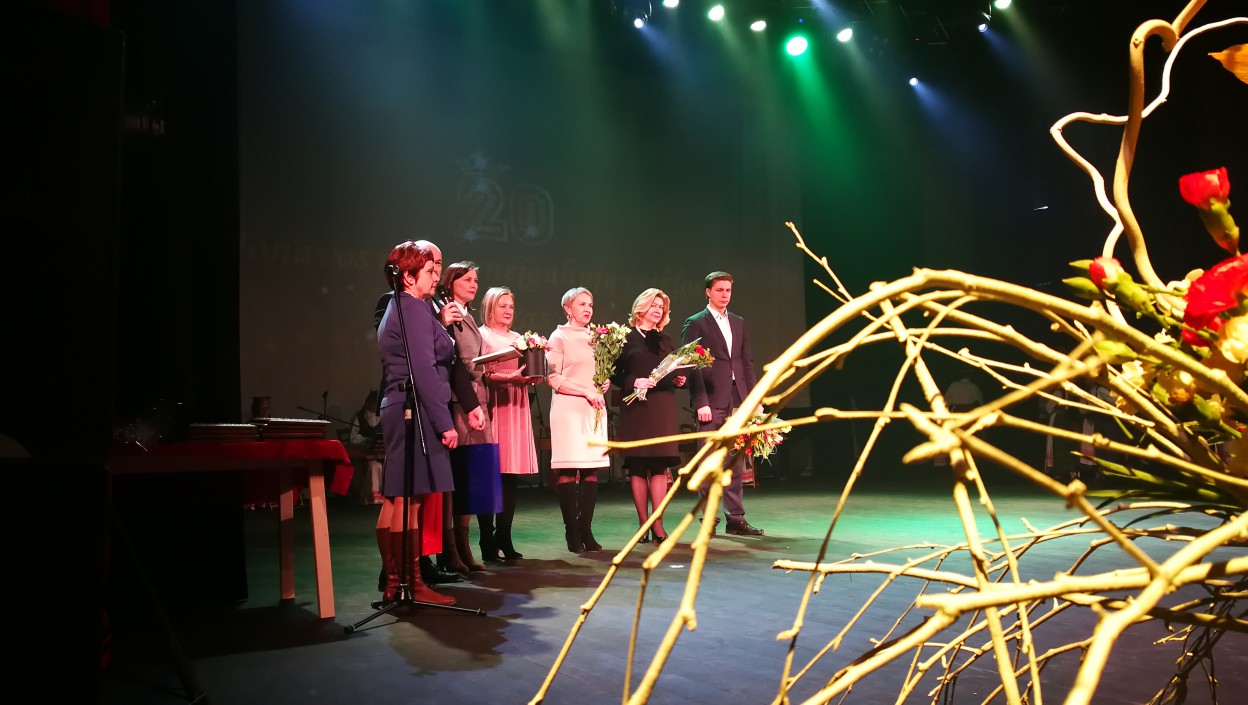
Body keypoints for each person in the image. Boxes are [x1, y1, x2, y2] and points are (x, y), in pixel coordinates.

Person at [374, 240, 459, 606]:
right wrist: (445, 423)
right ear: (408, 276)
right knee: (409, 500)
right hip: (414, 410)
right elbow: (423, 371)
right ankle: (411, 582)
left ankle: (397, 583)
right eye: (429, 271)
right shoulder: (411, 308)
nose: (436, 277)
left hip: (400, 405)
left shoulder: (402, 306)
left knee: (398, 497)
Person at [681, 271, 764, 536]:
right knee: (709, 461)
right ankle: (708, 518)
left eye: (728, 290)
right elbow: (692, 365)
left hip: (737, 400)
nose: (725, 295)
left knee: (735, 462)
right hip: (711, 400)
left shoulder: (738, 322)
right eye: (719, 290)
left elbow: (746, 363)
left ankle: (736, 519)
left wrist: (754, 400)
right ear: (708, 292)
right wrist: (701, 402)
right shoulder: (696, 322)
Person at [439, 261, 501, 569]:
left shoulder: (468, 316)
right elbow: (454, 363)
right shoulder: (448, 314)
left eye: (476, 279)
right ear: (450, 282)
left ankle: (465, 545)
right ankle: (452, 548)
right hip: (461, 401)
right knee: (461, 474)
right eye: (466, 279)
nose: (473, 284)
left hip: (478, 397)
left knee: (474, 474)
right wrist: (469, 403)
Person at [613, 288, 686, 543]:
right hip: (637, 408)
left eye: (661, 307)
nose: (658, 310)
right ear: (641, 308)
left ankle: (658, 524)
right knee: (637, 465)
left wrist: (679, 380)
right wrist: (634, 381)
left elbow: (674, 369)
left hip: (662, 407)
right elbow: (614, 374)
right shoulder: (625, 338)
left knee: (659, 466)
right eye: (653, 305)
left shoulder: (666, 340)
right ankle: (643, 524)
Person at [479, 286, 542, 559]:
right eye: (502, 306)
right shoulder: (482, 335)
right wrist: (508, 378)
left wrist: (532, 376)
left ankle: (504, 536)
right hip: (495, 406)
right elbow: (480, 374)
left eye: (511, 307)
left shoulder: (520, 339)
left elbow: (527, 370)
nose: (508, 311)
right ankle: (486, 539)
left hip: (516, 406)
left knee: (509, 476)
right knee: (489, 475)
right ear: (490, 308)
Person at [547, 287, 610, 552]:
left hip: (593, 408)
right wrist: (585, 391)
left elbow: (598, 370)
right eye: (582, 304)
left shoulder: (597, 337)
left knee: (590, 468)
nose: (587, 309)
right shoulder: (559, 336)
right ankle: (571, 531)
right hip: (569, 409)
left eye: (590, 304)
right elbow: (553, 377)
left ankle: (586, 529)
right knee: (568, 468)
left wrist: (604, 382)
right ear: (568, 308)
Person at [348, 389, 384, 504]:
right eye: (374, 402)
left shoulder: (382, 417)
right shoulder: (359, 418)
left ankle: (386, 494)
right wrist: (368, 440)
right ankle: (371, 496)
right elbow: (353, 438)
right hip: (363, 454)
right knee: (374, 465)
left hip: (379, 453)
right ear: (368, 403)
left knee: (386, 464)